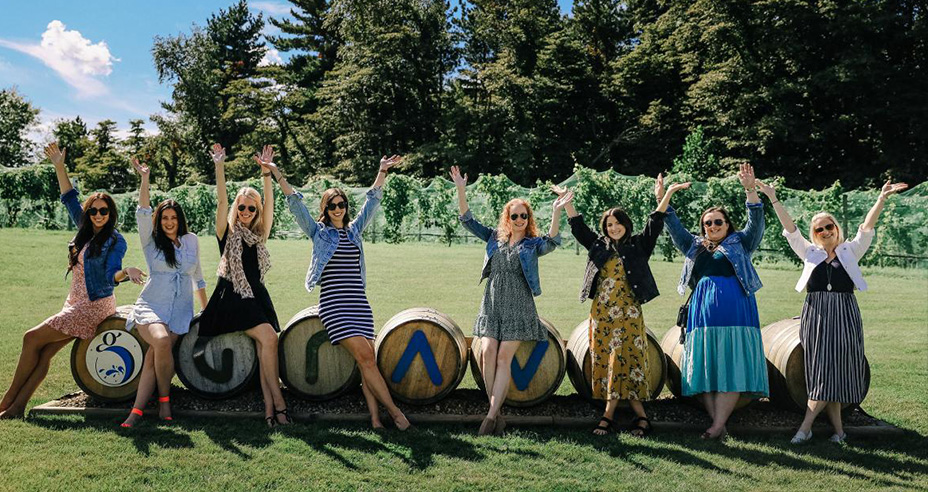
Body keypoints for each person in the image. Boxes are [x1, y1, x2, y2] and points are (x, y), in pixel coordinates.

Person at [757, 179, 908, 444]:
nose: (826, 231)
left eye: (829, 226)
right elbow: (790, 229)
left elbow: (867, 228)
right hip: (816, 315)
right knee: (821, 372)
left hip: (845, 313)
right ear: (815, 234)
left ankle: (809, 428)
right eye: (820, 229)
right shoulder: (809, 252)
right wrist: (773, 198)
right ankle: (837, 432)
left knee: (836, 372)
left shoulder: (851, 251)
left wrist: (882, 198)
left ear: (836, 228)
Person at [0, 143, 143, 419]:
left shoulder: (115, 240)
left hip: (93, 305)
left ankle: (6, 400)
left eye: (104, 212)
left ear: (111, 214)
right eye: (94, 211)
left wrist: (126, 272)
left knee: (31, 338)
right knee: (43, 353)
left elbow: (111, 273)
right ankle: (17, 408)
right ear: (88, 213)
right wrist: (59, 165)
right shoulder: (84, 228)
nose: (99, 215)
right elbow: (68, 196)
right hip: (76, 301)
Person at [271, 155, 411, 431]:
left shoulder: (354, 231)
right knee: (367, 358)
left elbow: (373, 200)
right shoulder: (319, 232)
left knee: (365, 361)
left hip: (359, 302)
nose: (338, 208)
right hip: (335, 305)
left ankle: (374, 419)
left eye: (342, 204)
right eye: (332, 205)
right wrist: (276, 172)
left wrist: (382, 171)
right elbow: (295, 204)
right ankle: (396, 414)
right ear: (326, 208)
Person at [555, 175, 690, 437]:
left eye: (617, 223)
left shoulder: (638, 245)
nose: (613, 228)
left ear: (625, 225)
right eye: (609, 224)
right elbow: (578, 226)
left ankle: (608, 416)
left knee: (626, 361)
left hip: (628, 314)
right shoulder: (598, 245)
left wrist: (668, 193)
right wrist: (566, 200)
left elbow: (655, 221)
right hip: (602, 314)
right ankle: (641, 417)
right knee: (607, 362)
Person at [450, 166, 569, 436]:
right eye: (514, 215)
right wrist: (460, 189)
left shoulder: (532, 244)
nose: (519, 220)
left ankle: (490, 417)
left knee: (504, 358)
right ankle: (497, 413)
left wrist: (557, 210)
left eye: (523, 216)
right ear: (507, 217)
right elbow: (467, 220)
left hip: (519, 304)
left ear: (528, 219)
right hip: (492, 301)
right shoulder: (494, 237)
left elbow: (553, 241)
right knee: (487, 351)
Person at [662, 163, 769, 440]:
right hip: (702, 315)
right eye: (707, 223)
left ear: (727, 224)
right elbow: (671, 223)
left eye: (717, 222)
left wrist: (750, 191)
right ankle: (718, 424)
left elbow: (756, 222)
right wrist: (664, 197)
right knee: (707, 370)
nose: (712, 226)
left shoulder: (741, 243)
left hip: (736, 313)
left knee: (731, 367)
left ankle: (715, 427)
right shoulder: (694, 245)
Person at [197, 144, 290, 427]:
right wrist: (219, 166)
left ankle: (269, 408)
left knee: (266, 346)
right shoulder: (226, 232)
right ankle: (280, 405)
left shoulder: (259, 235)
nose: (247, 210)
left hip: (255, 297)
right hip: (233, 296)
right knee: (269, 339)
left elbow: (270, 205)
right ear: (236, 209)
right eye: (242, 206)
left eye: (252, 207)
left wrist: (266, 174)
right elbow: (221, 202)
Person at [121, 159, 208, 427]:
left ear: (180, 220)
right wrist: (145, 178)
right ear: (160, 221)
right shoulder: (151, 241)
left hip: (180, 310)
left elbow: (198, 277)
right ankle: (165, 400)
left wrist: (205, 308)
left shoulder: (192, 240)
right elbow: (143, 211)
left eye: (174, 218)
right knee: (159, 341)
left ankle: (136, 411)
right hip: (152, 303)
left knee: (153, 359)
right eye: (165, 218)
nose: (169, 222)